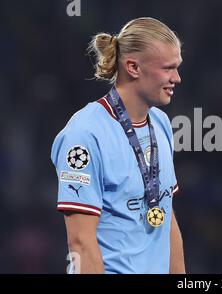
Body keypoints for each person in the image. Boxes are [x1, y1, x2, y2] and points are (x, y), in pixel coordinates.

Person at [51, 17, 185, 274]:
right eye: (168, 68)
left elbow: (165, 213)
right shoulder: (83, 135)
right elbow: (81, 244)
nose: (176, 78)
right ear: (133, 67)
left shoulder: (161, 123)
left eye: (177, 67)